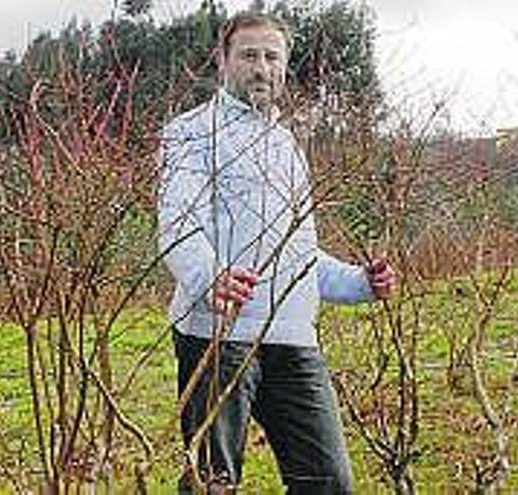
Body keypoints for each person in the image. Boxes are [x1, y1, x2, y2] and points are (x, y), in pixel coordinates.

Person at [157, 11, 396, 494]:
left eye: (272, 57)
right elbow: (178, 225)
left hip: (293, 338)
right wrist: (211, 278)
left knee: (329, 481)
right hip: (218, 338)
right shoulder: (189, 133)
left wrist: (359, 284)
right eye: (249, 55)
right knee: (213, 486)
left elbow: (300, 253)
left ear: (285, 66)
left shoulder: (287, 145)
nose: (261, 68)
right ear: (222, 61)